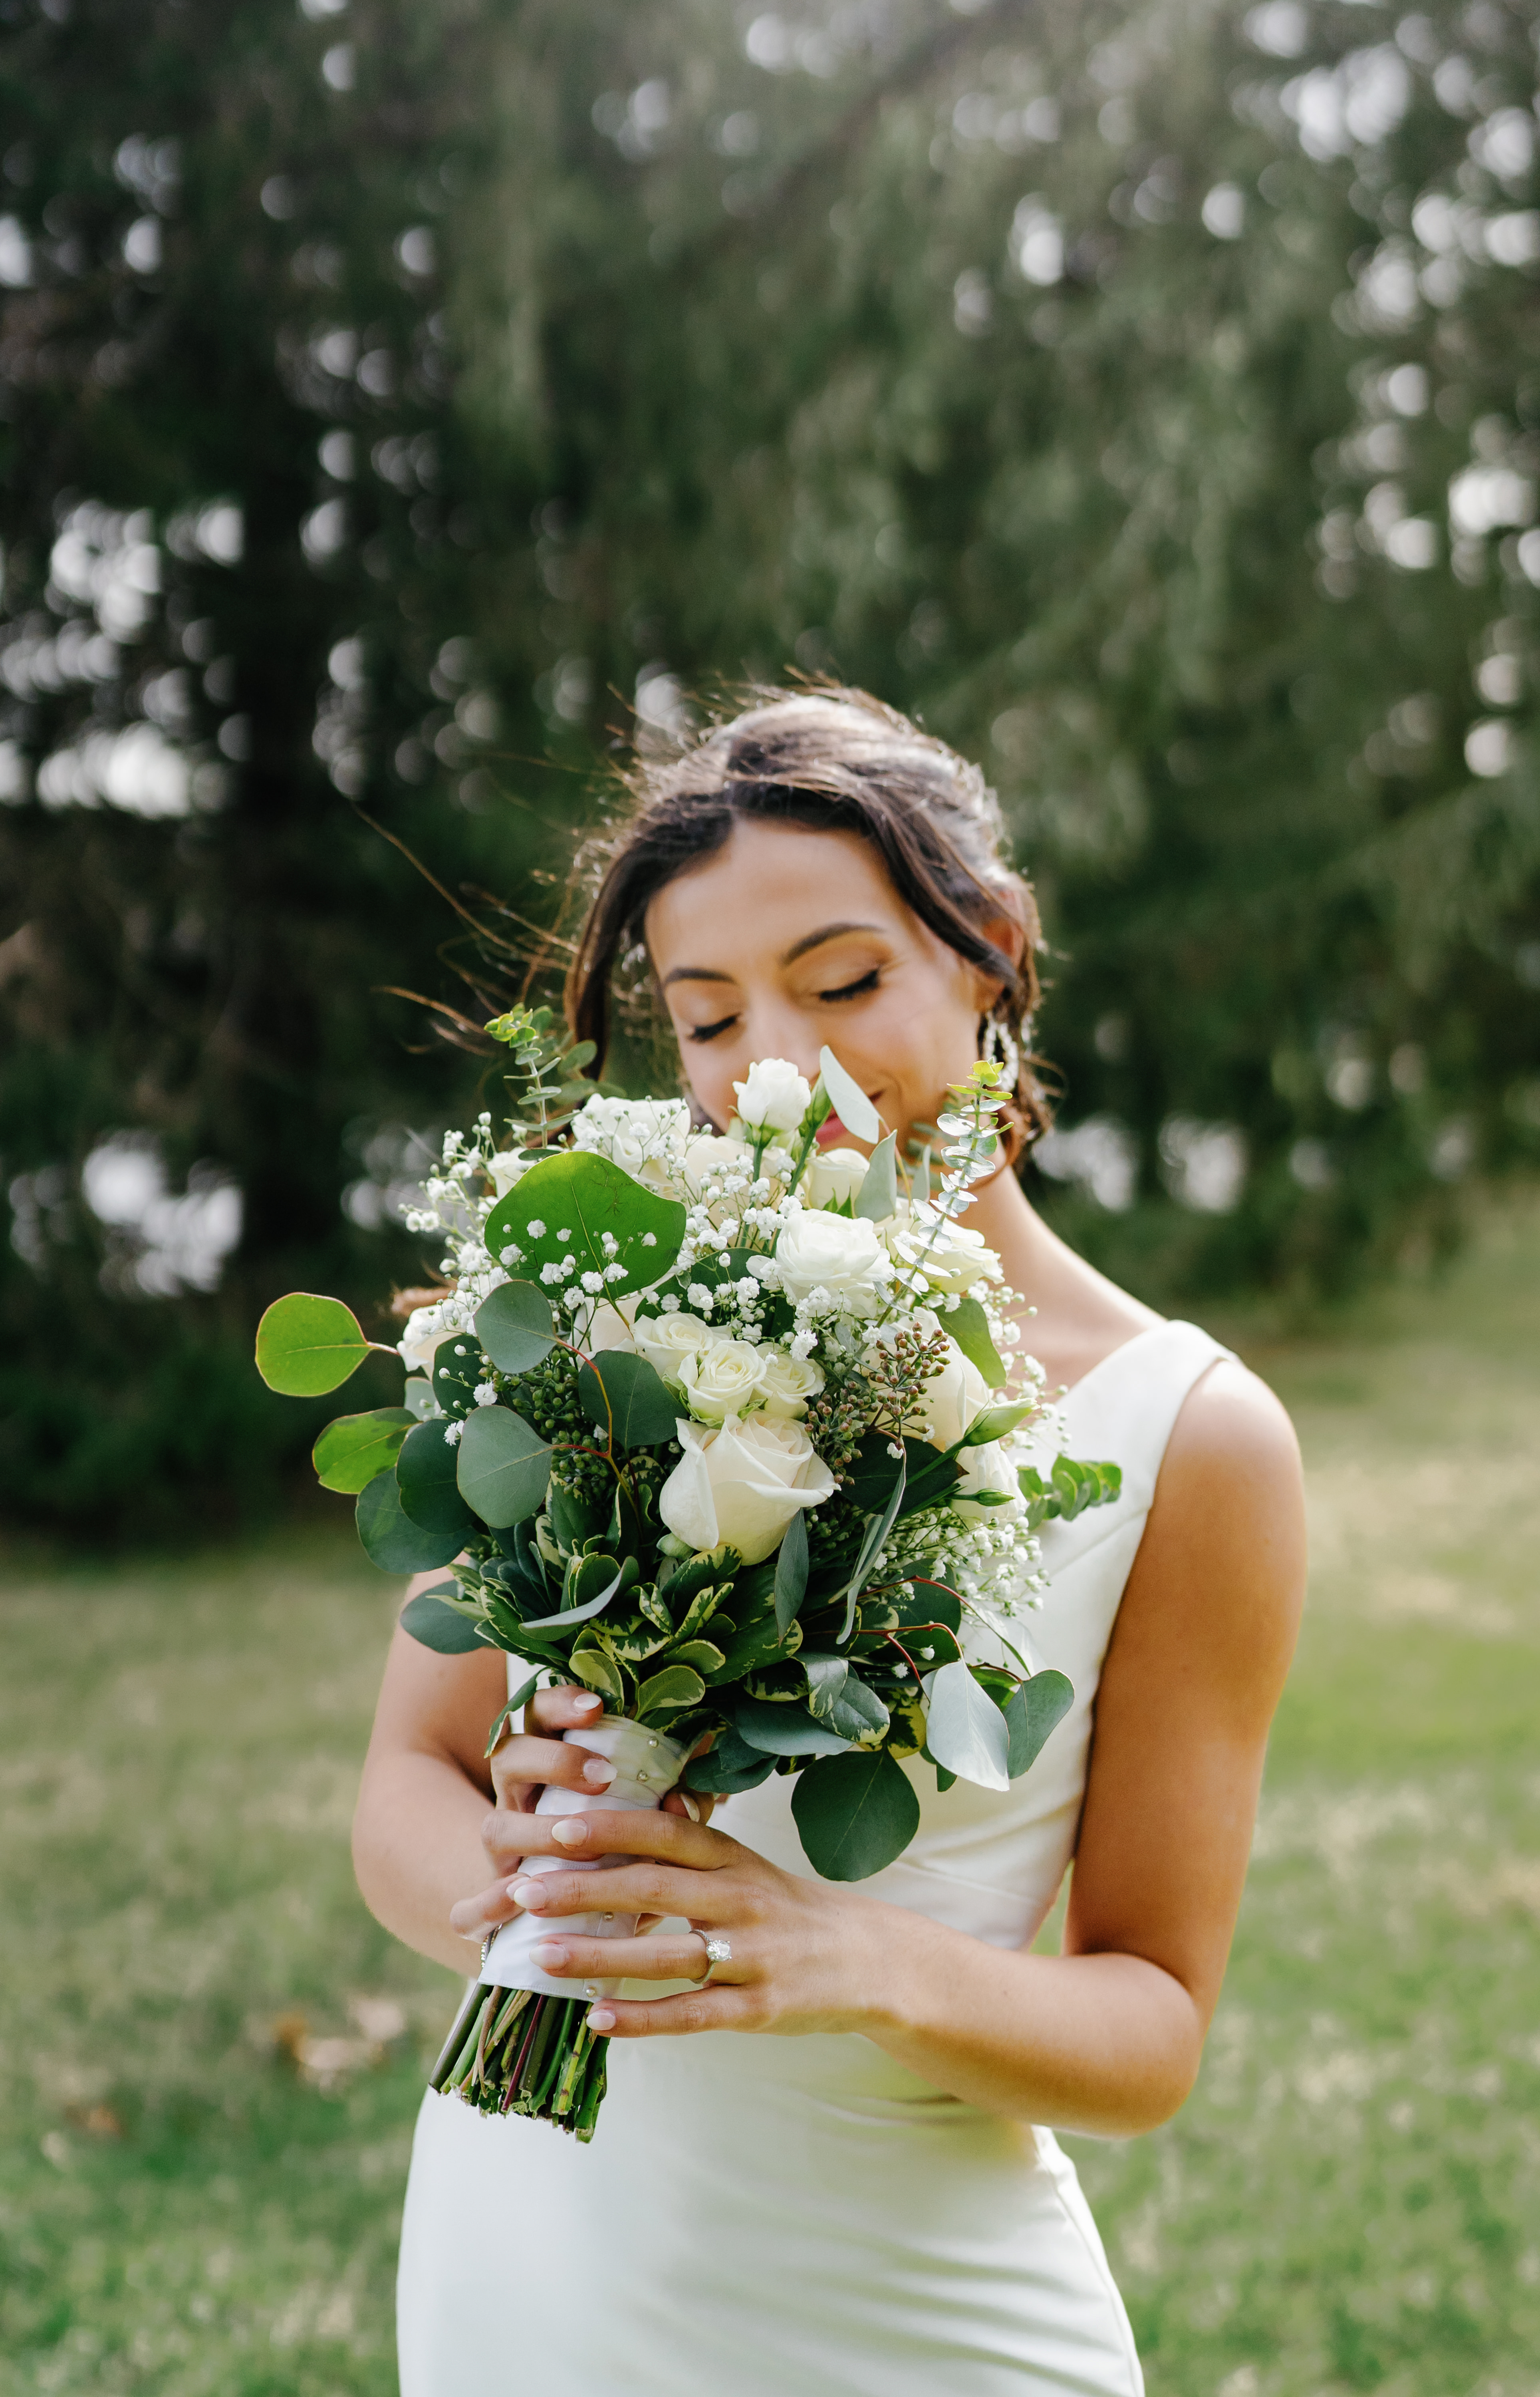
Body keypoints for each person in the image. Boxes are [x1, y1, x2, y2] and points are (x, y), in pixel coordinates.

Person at [355, 687, 1306, 2395]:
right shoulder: (586, 1339)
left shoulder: (1192, 1435)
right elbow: (405, 1787)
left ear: (989, 954)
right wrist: (549, 1888)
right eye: (707, 1017)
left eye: (842, 982)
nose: (770, 1070)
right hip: (530, 2265)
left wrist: (854, 1957)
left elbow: (1151, 2026)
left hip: (908, 2304)